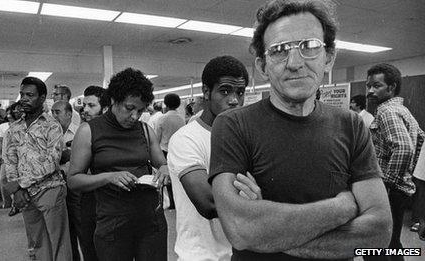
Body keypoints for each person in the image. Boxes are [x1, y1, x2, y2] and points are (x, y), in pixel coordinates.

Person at [208, 1, 392, 260]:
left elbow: (378, 233)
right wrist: (341, 208)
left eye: (309, 47)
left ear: (329, 57)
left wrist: (267, 233)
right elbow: (240, 229)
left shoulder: (351, 125)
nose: (294, 62)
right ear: (262, 66)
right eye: (280, 50)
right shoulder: (233, 125)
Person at [67, 68, 169, 261]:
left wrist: (164, 169)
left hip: (150, 221)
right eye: (129, 108)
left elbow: (161, 163)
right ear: (113, 99)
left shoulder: (145, 130)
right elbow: (73, 180)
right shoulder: (89, 131)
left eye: (140, 110)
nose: (135, 116)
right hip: (113, 224)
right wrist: (109, 177)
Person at [167, 55, 262, 261]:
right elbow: (209, 203)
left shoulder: (246, 138)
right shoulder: (186, 139)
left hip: (242, 252)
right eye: (225, 91)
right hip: (202, 255)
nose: (234, 100)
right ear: (206, 92)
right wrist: (259, 205)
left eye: (240, 92)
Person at [3, 76, 72, 260]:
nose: (24, 98)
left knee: (59, 241)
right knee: (37, 241)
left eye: (30, 95)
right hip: (25, 196)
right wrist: (16, 190)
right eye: (22, 94)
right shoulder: (13, 129)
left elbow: (52, 161)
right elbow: (9, 160)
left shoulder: (52, 126)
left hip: (49, 190)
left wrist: (20, 185)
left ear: (42, 98)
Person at [367, 63, 424, 259]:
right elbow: (419, 141)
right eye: (369, 86)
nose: (370, 91)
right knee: (392, 242)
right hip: (400, 189)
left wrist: (387, 182)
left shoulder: (387, 112)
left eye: (376, 86)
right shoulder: (402, 110)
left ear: (391, 87)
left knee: (377, 246)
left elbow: (403, 147)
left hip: (390, 190)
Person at [79, 85, 111, 261]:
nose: (85, 110)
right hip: (90, 197)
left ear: (105, 108)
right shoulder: (84, 131)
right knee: (89, 245)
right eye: (85, 106)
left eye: (91, 106)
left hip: (112, 199)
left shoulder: (113, 134)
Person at [51, 100, 81, 261]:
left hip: (75, 188)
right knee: (64, 232)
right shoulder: (48, 134)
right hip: (55, 189)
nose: (54, 116)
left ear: (69, 114)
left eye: (57, 112)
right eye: (52, 112)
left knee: (81, 227)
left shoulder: (80, 133)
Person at [0, 103, 22, 216]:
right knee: (3, 179)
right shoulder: (6, 128)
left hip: (21, 159)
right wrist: (0, 154)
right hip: (7, 158)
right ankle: (11, 202)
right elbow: (0, 141)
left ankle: (16, 204)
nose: (9, 115)